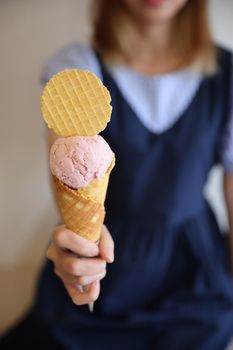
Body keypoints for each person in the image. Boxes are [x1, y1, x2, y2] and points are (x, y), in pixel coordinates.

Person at [1, 0, 233, 349]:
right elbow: (67, 172)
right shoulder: (78, 68)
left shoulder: (227, 75)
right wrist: (78, 253)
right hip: (105, 260)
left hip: (195, 270)